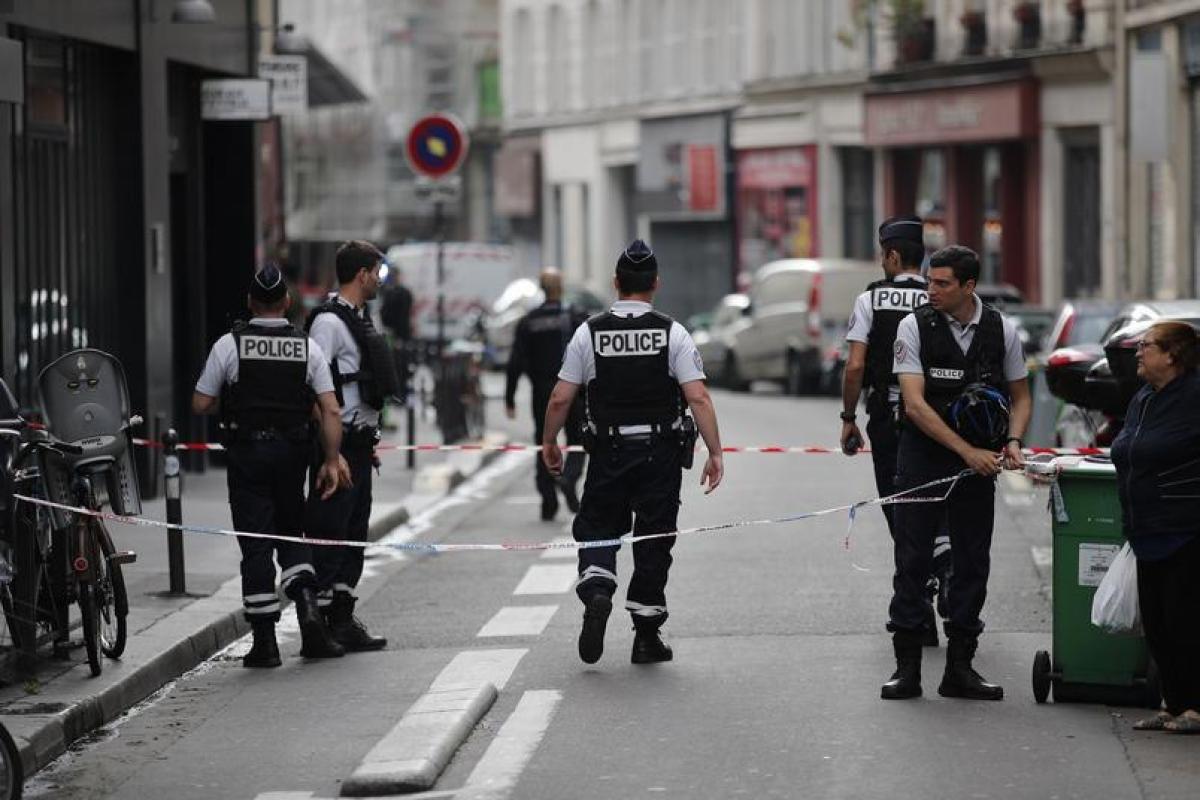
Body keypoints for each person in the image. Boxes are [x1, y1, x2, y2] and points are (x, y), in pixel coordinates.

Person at [541, 239, 724, 666]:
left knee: (600, 525)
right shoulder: (672, 331)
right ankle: (646, 636)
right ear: (655, 283)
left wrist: (550, 442)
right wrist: (715, 452)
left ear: (615, 283)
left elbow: (559, 398)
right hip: (660, 453)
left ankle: (599, 588)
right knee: (654, 537)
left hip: (608, 451)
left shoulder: (589, 332)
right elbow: (697, 397)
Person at [883, 245, 1030, 701]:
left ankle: (960, 668)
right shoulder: (914, 327)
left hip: (978, 464)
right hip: (924, 458)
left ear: (969, 286)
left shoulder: (1000, 330)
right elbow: (914, 405)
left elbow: (1021, 396)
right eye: (930, 281)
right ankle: (906, 669)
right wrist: (967, 451)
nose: (931, 291)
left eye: (942, 283)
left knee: (972, 562)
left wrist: (1012, 443)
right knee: (912, 560)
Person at [192, 264, 348, 667]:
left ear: (250, 302)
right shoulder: (306, 346)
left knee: (256, 542)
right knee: (291, 530)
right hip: (293, 455)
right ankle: (309, 607)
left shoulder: (229, 345)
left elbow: (200, 403)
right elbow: (331, 408)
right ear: (287, 302)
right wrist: (331, 459)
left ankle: (265, 643)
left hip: (247, 456)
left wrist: (235, 395)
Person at [841, 215, 950, 647]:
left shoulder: (871, 299)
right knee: (936, 499)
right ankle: (943, 565)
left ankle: (920, 605)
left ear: (890, 254)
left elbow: (854, 365)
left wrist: (848, 418)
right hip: (940, 417)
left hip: (890, 415)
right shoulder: (938, 294)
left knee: (901, 510)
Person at [304, 240, 400, 653]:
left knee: (354, 533)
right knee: (331, 533)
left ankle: (341, 616)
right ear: (362, 274)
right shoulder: (328, 323)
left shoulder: (356, 317)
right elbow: (314, 389)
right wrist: (332, 453)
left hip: (358, 445)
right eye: (376, 272)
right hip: (337, 449)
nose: (379, 279)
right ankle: (319, 624)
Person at [1110, 321, 1200, 733]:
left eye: (1146, 346)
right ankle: (1173, 703)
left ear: (1172, 355)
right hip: (1144, 526)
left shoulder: (1193, 396)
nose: (1138, 353)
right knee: (1159, 623)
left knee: (1185, 622)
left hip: (1183, 526)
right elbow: (1129, 444)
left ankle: (1195, 708)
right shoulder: (1144, 396)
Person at [505, 267, 589, 521]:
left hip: (542, 391)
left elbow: (515, 361)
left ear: (542, 289)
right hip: (574, 389)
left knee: (545, 441)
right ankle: (570, 477)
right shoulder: (576, 317)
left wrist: (510, 397)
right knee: (578, 439)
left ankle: (548, 500)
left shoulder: (529, 321)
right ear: (561, 288)